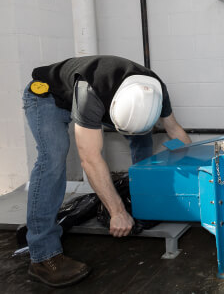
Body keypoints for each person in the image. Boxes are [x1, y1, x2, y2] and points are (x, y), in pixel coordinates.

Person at [22, 55, 192, 287]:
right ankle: (42, 255)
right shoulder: (89, 93)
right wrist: (117, 212)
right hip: (47, 97)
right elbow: (90, 159)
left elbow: (175, 132)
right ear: (111, 110)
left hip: (104, 94)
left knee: (142, 141)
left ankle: (144, 200)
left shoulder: (156, 89)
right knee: (52, 159)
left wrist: (193, 176)